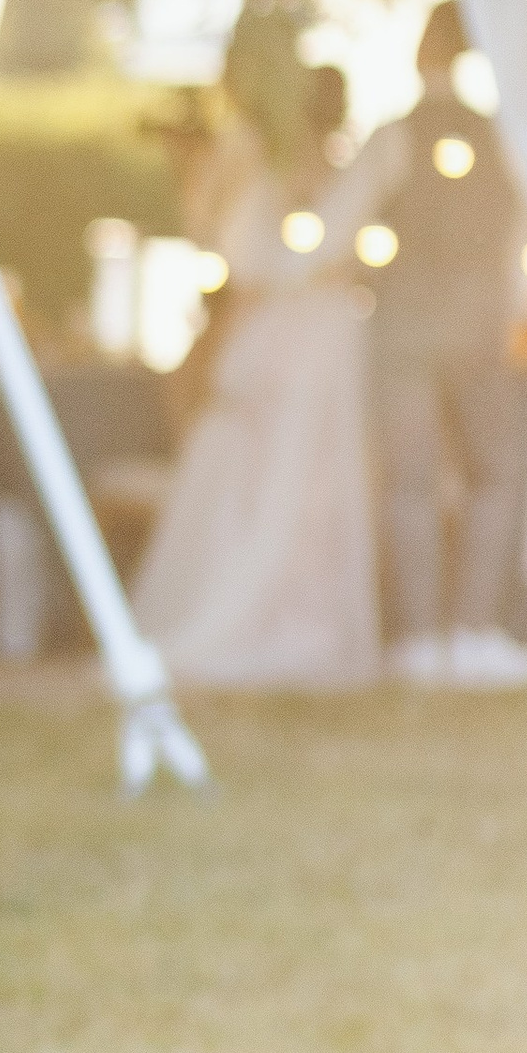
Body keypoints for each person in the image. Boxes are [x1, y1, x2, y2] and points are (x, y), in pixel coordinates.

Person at [133, 65, 389, 692]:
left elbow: (247, 279)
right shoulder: (321, 181)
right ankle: (287, 616)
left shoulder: (294, 181)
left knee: (296, 482)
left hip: (305, 348)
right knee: (285, 480)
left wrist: (218, 357)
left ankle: (295, 616)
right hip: (316, 347)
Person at [360, 1, 527, 687]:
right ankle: (472, 629)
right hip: (480, 328)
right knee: (494, 475)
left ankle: (418, 636)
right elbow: (525, 239)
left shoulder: (395, 137)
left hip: (405, 327)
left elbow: (350, 223)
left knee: (409, 480)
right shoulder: (506, 139)